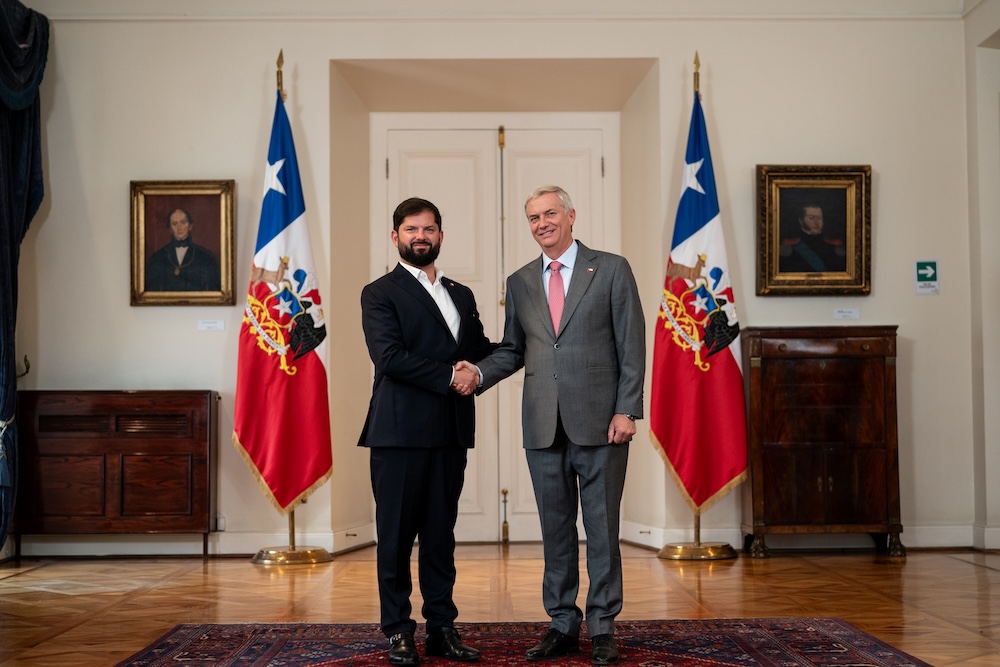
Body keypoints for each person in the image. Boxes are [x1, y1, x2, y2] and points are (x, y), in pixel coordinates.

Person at [464, 185, 645, 665]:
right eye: (532, 217)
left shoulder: (610, 268)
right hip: (543, 426)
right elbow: (513, 349)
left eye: (549, 214)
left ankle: (603, 625)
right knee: (555, 531)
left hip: (603, 423)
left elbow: (632, 345)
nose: (541, 223)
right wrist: (478, 373)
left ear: (571, 216)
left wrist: (628, 409)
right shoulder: (520, 281)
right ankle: (562, 623)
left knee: (602, 528)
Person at [359, 197, 494, 666]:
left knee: (441, 538)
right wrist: (450, 377)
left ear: (440, 235)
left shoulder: (461, 293)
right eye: (412, 229)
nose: (422, 236)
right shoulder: (379, 292)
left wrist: (525, 346)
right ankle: (397, 630)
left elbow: (479, 350)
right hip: (397, 434)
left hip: (450, 432)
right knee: (395, 538)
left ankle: (441, 628)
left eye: (430, 229)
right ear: (394, 236)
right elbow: (389, 358)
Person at [144, 207, 222, 291]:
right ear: (170, 229)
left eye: (183, 222)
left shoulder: (207, 258)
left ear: (190, 226)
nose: (179, 227)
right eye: (174, 223)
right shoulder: (157, 258)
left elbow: (212, 291)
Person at [778, 202, 846, 273]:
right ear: (801, 221)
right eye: (811, 218)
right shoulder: (788, 248)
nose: (816, 222)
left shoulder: (835, 247)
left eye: (819, 218)